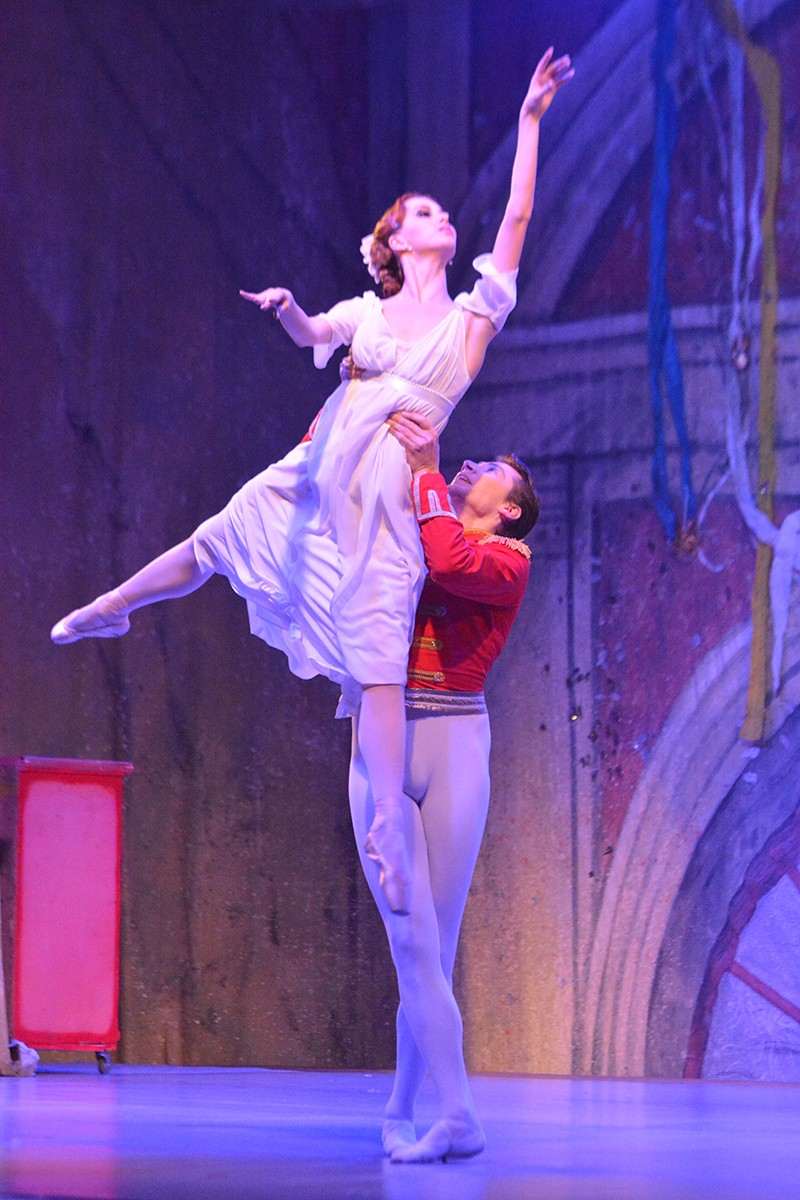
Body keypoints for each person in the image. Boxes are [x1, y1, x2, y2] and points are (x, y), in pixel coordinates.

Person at [50, 50, 573, 917]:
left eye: (439, 211)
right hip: (323, 463)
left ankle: (386, 832)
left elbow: (518, 214)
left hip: (393, 499)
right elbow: (312, 337)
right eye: (425, 212)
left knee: (378, 662)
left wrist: (529, 120)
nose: (443, 216)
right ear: (395, 242)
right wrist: (290, 309)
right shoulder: (366, 314)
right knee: (221, 533)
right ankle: (116, 605)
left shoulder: (471, 323)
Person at [352, 407, 537, 1163]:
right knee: (411, 935)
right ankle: (456, 1116)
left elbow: (453, 564)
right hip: (385, 742)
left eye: (490, 469)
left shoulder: (508, 561)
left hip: (455, 741)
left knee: (434, 942)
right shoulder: (415, 525)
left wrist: (429, 470)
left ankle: (404, 1108)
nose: (472, 465)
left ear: (510, 509)